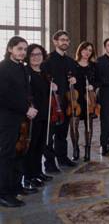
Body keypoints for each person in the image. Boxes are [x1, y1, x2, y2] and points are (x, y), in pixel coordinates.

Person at [0, 36, 38, 207]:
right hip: (7, 119)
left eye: (24, 49)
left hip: (22, 118)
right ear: (10, 49)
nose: (22, 52)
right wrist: (25, 109)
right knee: (6, 155)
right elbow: (4, 96)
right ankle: (3, 193)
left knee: (19, 153)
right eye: (19, 49)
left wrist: (31, 106)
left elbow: (25, 92)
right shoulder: (3, 68)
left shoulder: (22, 68)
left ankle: (16, 186)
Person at [41, 30, 77, 170]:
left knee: (62, 133)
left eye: (67, 40)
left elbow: (73, 77)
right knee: (50, 135)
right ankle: (49, 164)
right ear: (55, 41)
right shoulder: (47, 60)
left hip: (66, 102)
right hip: (52, 104)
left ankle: (62, 158)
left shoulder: (70, 61)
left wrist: (74, 79)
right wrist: (48, 84)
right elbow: (42, 79)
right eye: (62, 40)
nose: (65, 42)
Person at [23, 44, 54, 190]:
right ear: (28, 57)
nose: (36, 57)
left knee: (41, 145)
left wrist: (53, 86)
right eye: (33, 55)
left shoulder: (43, 72)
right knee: (31, 147)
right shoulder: (26, 72)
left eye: (39, 54)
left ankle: (38, 172)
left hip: (44, 114)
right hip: (32, 116)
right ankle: (29, 177)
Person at [73, 42, 97, 161]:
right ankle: (75, 149)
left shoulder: (93, 66)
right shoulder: (73, 65)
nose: (87, 52)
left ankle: (87, 150)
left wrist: (93, 86)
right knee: (74, 125)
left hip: (89, 99)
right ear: (80, 50)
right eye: (85, 49)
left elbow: (99, 80)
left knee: (89, 125)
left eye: (90, 50)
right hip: (75, 99)